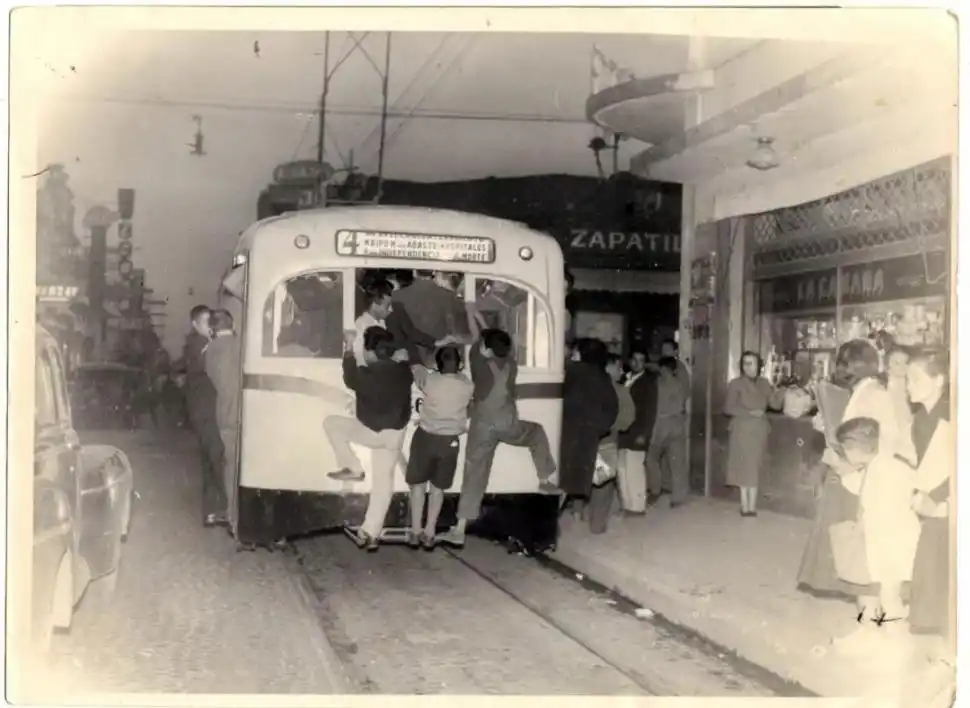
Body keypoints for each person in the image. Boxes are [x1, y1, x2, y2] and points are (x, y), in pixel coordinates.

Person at [796, 339, 899, 623]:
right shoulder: (864, 391)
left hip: (861, 483)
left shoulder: (871, 394)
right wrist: (827, 425)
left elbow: (871, 444)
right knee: (856, 562)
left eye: (841, 363)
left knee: (861, 564)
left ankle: (872, 630)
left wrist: (840, 461)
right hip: (854, 479)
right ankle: (868, 628)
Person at [437, 328, 558, 548]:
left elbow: (475, 342)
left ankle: (459, 529)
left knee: (474, 476)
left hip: (482, 427)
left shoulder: (479, 363)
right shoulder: (511, 365)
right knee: (536, 432)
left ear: (486, 348)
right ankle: (544, 479)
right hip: (507, 424)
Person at [325, 327, 413, 552]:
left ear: (371, 351)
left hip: (371, 432)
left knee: (332, 424)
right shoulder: (404, 371)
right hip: (394, 436)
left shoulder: (363, 375)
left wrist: (348, 346)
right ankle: (371, 533)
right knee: (384, 482)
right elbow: (396, 361)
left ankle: (353, 466)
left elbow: (349, 370)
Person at [834, 417, 920, 628]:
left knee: (888, 596)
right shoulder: (885, 463)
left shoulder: (878, 470)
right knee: (889, 593)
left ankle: (891, 640)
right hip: (900, 538)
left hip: (888, 542)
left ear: (851, 449)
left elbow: (869, 500)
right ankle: (882, 635)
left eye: (844, 449)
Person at [406, 346, 474, 550]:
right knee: (438, 488)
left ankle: (416, 531)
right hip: (450, 442)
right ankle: (430, 532)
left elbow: (421, 374)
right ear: (459, 364)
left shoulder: (430, 381)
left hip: (425, 438)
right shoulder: (467, 385)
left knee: (418, 485)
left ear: (437, 364)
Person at [906, 351, 951, 639]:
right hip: (931, 497)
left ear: (939, 380)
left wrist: (936, 496)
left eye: (915, 379)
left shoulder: (950, 414)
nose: (908, 386)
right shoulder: (921, 418)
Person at [558, 338, 619, 518]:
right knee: (572, 482)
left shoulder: (570, 372)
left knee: (559, 483)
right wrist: (596, 429)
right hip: (587, 439)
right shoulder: (602, 378)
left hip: (564, 435)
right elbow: (611, 409)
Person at [182, 304, 226, 527]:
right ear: (195, 324)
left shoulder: (202, 343)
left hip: (204, 410)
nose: (211, 326)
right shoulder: (196, 345)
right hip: (204, 411)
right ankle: (222, 508)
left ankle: (211, 511)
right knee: (215, 457)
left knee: (210, 459)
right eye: (206, 322)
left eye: (212, 321)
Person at [724, 351, 783, 517]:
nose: (748, 367)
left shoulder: (765, 383)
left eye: (752, 363)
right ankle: (745, 506)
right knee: (744, 466)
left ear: (759, 366)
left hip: (759, 431)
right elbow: (728, 408)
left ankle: (752, 506)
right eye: (745, 363)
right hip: (742, 430)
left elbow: (775, 405)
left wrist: (779, 392)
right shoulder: (735, 384)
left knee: (755, 466)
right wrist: (750, 413)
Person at [586, 353, 636, 534]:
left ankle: (581, 515)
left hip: (583, 440)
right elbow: (628, 419)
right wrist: (611, 426)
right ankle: (597, 525)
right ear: (608, 368)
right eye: (618, 367)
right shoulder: (619, 390)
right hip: (607, 441)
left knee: (587, 480)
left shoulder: (586, 386)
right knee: (604, 483)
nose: (621, 371)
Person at [387, 269, 472, 367]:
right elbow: (460, 335)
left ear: (415, 271)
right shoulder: (449, 297)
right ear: (433, 271)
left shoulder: (394, 298)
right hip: (440, 364)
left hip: (406, 363)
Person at [205, 309, 241, 515]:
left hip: (226, 414)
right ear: (232, 324)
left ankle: (232, 512)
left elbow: (216, 380)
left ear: (212, 329)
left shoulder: (211, 350)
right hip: (248, 413)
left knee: (230, 463)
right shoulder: (242, 345)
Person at [616, 348, 658, 514]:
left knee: (635, 469)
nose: (637, 363)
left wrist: (644, 434)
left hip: (638, 431)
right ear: (629, 361)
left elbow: (650, 411)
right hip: (623, 430)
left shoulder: (648, 383)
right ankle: (627, 504)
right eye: (634, 359)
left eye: (641, 360)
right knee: (622, 469)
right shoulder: (624, 379)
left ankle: (638, 506)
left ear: (645, 363)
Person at [645, 356, 690, 508]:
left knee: (651, 458)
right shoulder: (680, 384)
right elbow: (680, 406)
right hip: (677, 427)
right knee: (677, 463)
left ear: (663, 369)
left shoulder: (658, 384)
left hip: (661, 428)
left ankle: (655, 490)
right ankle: (678, 497)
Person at [353, 278, 395, 367]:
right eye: (387, 305)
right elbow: (361, 360)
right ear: (374, 304)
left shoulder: (382, 322)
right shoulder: (361, 326)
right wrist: (393, 358)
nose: (391, 310)